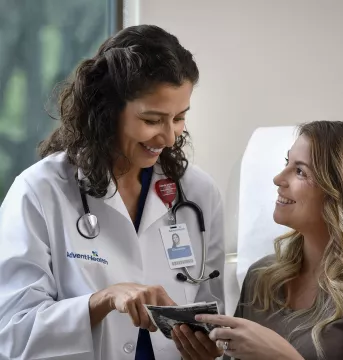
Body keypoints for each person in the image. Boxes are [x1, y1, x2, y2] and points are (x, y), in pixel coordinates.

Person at [0, 25, 225, 360]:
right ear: (106, 111)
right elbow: (12, 334)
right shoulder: (40, 191)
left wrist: (212, 345)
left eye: (178, 118)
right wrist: (102, 300)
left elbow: (215, 312)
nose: (169, 138)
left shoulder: (197, 192)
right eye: (152, 120)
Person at [193, 121, 343, 360]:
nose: (278, 178)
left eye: (300, 171)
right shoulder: (261, 278)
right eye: (287, 163)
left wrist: (281, 357)